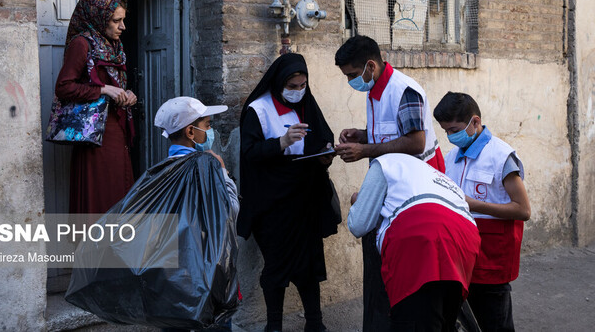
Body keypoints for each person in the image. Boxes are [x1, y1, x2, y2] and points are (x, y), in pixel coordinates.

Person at [333, 35, 445, 331]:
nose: (351, 83)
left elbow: (415, 141)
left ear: (371, 66)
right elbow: (389, 133)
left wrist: (365, 151)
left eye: (353, 76)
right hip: (391, 178)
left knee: (408, 267)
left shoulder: (404, 90)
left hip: (418, 184)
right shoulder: (374, 91)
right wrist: (362, 134)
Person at [238, 53, 336, 332]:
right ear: (279, 82)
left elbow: (320, 138)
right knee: (277, 265)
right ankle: (274, 325)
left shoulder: (307, 105)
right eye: (292, 86)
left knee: (308, 265)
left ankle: (315, 323)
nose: (297, 92)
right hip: (272, 202)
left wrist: (325, 154)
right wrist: (281, 142)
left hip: (305, 199)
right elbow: (250, 152)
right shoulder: (259, 110)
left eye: (302, 85)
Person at [348, 153, 481, 331]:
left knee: (412, 320)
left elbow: (358, 224)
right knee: (444, 320)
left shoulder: (383, 163)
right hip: (465, 237)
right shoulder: (434, 174)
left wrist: (361, 201)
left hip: (419, 240)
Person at [433, 92, 531, 332]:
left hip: (492, 258)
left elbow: (523, 209)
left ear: (475, 122)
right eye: (445, 131)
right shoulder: (451, 157)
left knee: (494, 323)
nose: (450, 136)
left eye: (454, 129)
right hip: (460, 256)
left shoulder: (501, 156)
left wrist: (474, 205)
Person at [154, 96, 239, 332]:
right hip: (206, 268)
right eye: (208, 125)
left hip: (173, 273)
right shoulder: (207, 168)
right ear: (191, 132)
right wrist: (224, 173)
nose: (209, 132)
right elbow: (229, 212)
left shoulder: (162, 169)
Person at [55, 0, 137, 214]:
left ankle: (114, 247)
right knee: (100, 197)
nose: (123, 27)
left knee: (118, 194)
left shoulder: (114, 46)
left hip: (116, 132)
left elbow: (114, 87)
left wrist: (126, 94)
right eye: (116, 21)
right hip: (94, 136)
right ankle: (95, 248)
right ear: (98, 18)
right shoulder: (82, 44)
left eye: (123, 20)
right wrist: (104, 90)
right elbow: (63, 87)